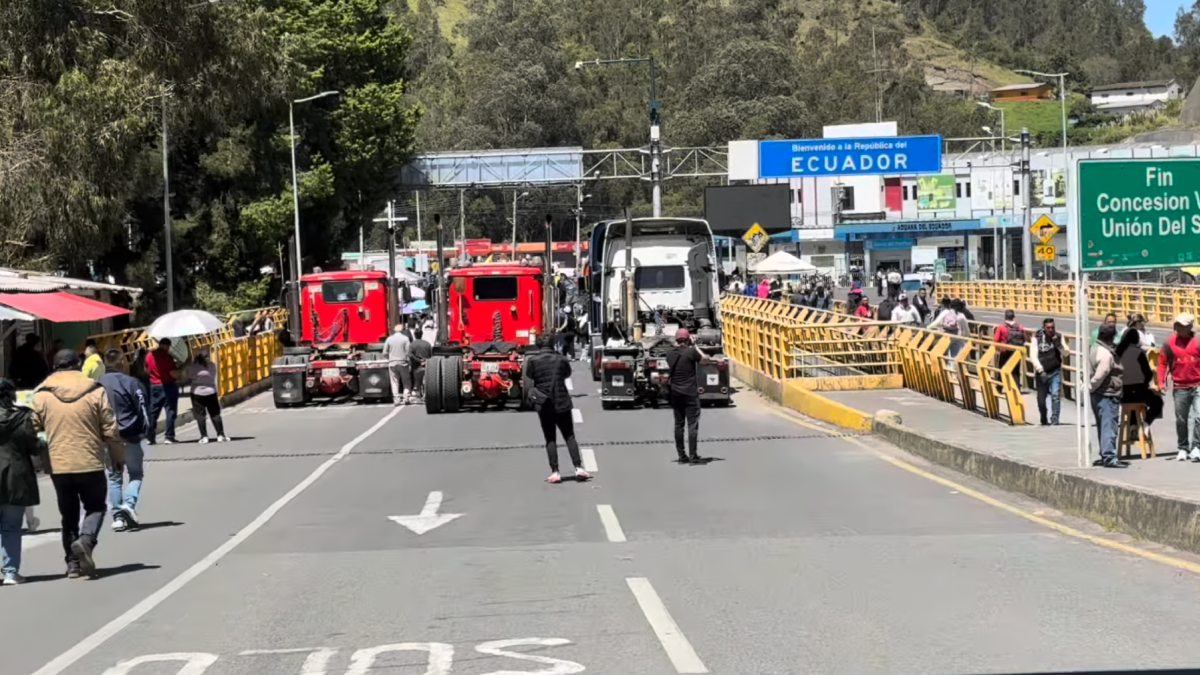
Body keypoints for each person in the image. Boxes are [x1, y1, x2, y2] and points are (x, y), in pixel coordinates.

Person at [32, 350, 123, 578]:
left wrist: (43, 453)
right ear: (79, 364)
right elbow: (110, 428)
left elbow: (34, 430)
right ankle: (86, 541)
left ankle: (73, 565)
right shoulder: (94, 390)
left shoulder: (41, 394)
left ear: (54, 366)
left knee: (69, 515)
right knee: (95, 507)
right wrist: (116, 456)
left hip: (58, 464)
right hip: (90, 460)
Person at [524, 335, 588, 483]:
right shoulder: (561, 359)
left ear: (539, 345)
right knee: (569, 436)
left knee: (550, 438)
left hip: (544, 404)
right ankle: (578, 467)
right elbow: (567, 374)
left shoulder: (533, 361)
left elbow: (530, 376)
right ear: (553, 344)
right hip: (562, 401)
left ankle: (555, 471)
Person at [98, 349, 149, 531]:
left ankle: (118, 517)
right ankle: (129, 504)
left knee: (114, 476)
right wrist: (145, 430)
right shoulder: (131, 382)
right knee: (136, 474)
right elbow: (143, 408)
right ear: (120, 362)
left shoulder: (97, 385)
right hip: (130, 436)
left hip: (107, 438)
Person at [0, 378, 40, 585]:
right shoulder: (23, 417)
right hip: (15, 477)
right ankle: (10, 572)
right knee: (12, 526)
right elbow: (34, 446)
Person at [666, 329, 718, 464]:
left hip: (675, 393)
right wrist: (695, 346)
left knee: (679, 425)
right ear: (688, 339)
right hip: (690, 393)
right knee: (692, 425)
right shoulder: (691, 352)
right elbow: (706, 361)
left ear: (676, 339)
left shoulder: (670, 354)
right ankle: (693, 456)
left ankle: (682, 456)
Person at [1158, 313, 1200, 462]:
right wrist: (1161, 382)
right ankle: (1183, 447)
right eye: (1178, 325)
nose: (1179, 328)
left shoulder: (1198, 341)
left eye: (1183, 326)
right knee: (1181, 419)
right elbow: (1162, 363)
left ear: (1189, 327)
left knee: (1199, 417)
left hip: (1197, 385)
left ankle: (1197, 447)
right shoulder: (1169, 343)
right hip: (1180, 386)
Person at [1089, 325, 1124, 469]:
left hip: (1099, 394)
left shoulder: (1094, 348)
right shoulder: (1106, 354)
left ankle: (1105, 454)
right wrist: (1092, 386)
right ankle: (1109, 456)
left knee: (1103, 425)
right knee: (1109, 426)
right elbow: (1101, 374)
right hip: (1107, 394)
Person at [1117, 326, 1163, 428]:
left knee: (1133, 400)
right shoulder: (1138, 353)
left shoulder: (1118, 353)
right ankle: (1145, 423)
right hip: (1138, 392)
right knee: (1157, 402)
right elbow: (1148, 374)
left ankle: (1132, 425)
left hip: (1121, 394)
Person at [187, 351, 227, 444]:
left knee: (200, 415)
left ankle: (204, 436)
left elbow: (189, 377)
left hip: (197, 392)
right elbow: (213, 376)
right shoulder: (212, 365)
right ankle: (220, 435)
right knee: (215, 414)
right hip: (211, 392)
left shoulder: (193, 367)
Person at [1031, 319, 1066, 426]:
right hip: (1042, 372)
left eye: (1052, 327)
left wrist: (1059, 345)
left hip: (1055, 371)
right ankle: (1043, 416)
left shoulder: (1059, 337)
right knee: (1041, 400)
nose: (1051, 330)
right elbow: (1033, 356)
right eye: (1048, 328)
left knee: (1055, 395)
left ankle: (1055, 418)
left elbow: (1066, 353)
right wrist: (1040, 370)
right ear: (1044, 328)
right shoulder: (1036, 338)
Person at [145, 339, 180, 445]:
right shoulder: (167, 356)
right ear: (167, 346)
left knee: (153, 412)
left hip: (154, 386)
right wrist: (181, 369)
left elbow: (146, 370)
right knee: (170, 411)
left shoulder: (149, 355)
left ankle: (150, 437)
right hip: (168, 385)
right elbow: (173, 373)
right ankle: (169, 436)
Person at [384, 324, 412, 406]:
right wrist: (409, 361)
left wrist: (389, 358)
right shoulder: (405, 339)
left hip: (392, 362)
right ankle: (406, 397)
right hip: (403, 362)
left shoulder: (389, 339)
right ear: (402, 330)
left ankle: (396, 399)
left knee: (394, 382)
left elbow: (385, 352)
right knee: (406, 381)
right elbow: (408, 352)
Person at [409, 329, 433, 401]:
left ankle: (419, 395)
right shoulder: (427, 344)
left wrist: (419, 361)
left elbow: (410, 355)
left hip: (417, 367)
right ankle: (426, 395)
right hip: (427, 366)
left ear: (415, 335)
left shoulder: (412, 344)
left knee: (418, 382)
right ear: (422, 334)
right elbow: (431, 355)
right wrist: (426, 361)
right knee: (426, 381)